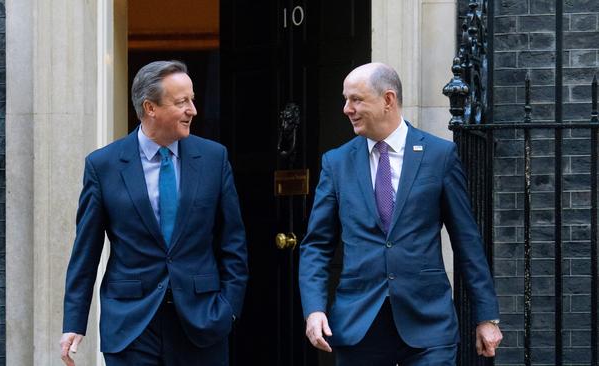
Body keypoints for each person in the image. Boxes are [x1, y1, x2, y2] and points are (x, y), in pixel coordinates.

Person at [298, 62, 502, 365]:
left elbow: (467, 241)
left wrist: (487, 316)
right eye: (346, 99)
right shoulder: (336, 163)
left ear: (388, 100)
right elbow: (316, 244)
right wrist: (314, 309)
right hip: (359, 324)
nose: (346, 108)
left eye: (356, 99)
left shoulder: (438, 156)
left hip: (428, 323)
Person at [59, 60, 248, 366]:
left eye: (192, 100)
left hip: (202, 321)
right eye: (181, 102)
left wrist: (229, 308)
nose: (192, 110)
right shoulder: (103, 165)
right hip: (131, 325)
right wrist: (73, 323)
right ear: (150, 108)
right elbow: (86, 252)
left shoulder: (214, 158)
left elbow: (233, 242)